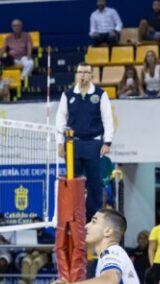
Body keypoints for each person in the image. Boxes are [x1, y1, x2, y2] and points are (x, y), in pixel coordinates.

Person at [55, 63, 114, 221]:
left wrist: (107, 142)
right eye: (80, 72)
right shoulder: (67, 95)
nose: (82, 75)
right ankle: (72, 215)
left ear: (92, 75)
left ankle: (93, 216)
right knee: (72, 180)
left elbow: (108, 119)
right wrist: (60, 143)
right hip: (72, 143)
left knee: (95, 182)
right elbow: (60, 120)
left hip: (94, 143)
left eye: (86, 72)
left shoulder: (100, 94)